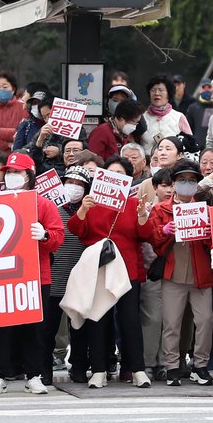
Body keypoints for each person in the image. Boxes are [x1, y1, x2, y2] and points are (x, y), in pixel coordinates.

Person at [66, 156, 155, 389]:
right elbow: (76, 230)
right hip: (99, 270)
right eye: (110, 173)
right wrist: (84, 209)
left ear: (128, 179)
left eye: (120, 174)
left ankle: (137, 369)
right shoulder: (93, 202)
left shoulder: (133, 202)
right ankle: (98, 370)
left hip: (127, 271)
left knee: (130, 321)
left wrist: (143, 213)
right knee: (98, 319)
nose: (115, 178)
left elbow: (147, 234)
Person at [0, 153, 63, 396]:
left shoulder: (44, 204)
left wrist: (45, 235)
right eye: (8, 172)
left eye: (17, 172)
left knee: (35, 329)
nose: (11, 177)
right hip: (0, 275)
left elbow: (57, 236)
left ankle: (34, 375)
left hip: (36, 275)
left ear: (29, 176)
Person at [148, 159, 213, 386]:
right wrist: (165, 231)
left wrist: (208, 233)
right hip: (173, 274)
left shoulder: (205, 210)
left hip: (201, 274)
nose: (186, 184)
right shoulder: (161, 209)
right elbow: (154, 242)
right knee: (172, 322)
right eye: (181, 180)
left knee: (205, 320)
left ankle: (200, 365)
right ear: (174, 184)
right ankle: (172, 367)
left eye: (191, 180)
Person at [45, 165, 92, 382]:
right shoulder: (51, 208)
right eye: (70, 183)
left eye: (79, 185)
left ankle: (79, 367)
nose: (74, 188)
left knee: (79, 328)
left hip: (80, 280)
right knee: (48, 329)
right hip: (54, 278)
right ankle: (43, 370)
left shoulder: (90, 210)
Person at [141, 75, 192, 154]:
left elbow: (190, 144)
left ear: (168, 93)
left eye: (161, 90)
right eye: (153, 90)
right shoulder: (141, 118)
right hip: (147, 164)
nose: (157, 93)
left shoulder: (179, 117)